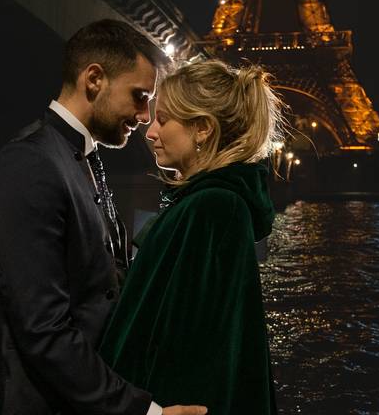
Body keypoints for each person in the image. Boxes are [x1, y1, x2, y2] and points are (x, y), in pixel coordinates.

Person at [0, 19, 207, 415]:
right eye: (139, 96)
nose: (144, 115)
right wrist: (144, 412)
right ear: (94, 79)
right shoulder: (29, 164)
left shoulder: (77, 159)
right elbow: (44, 330)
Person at [100, 59, 283, 414]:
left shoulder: (210, 208)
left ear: (202, 129)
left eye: (163, 120)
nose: (149, 132)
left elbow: (187, 346)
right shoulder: (212, 204)